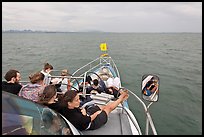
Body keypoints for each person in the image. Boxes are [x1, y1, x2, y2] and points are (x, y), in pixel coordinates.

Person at [60, 89, 129, 131]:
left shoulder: (65, 106)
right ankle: (121, 97)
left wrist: (83, 111)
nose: (79, 101)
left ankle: (120, 100)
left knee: (102, 107)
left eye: (78, 99)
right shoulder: (77, 117)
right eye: (76, 100)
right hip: (90, 123)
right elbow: (89, 119)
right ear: (69, 103)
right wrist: (96, 113)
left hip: (85, 114)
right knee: (108, 108)